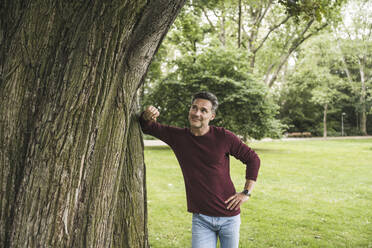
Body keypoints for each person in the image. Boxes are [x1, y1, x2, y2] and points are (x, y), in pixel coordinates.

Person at [139, 91, 260, 248]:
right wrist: (147, 115)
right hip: (201, 219)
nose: (197, 113)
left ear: (212, 116)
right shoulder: (178, 137)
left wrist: (246, 192)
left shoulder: (224, 137)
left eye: (204, 110)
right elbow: (148, 127)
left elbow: (253, 159)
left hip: (229, 218)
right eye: (194, 108)